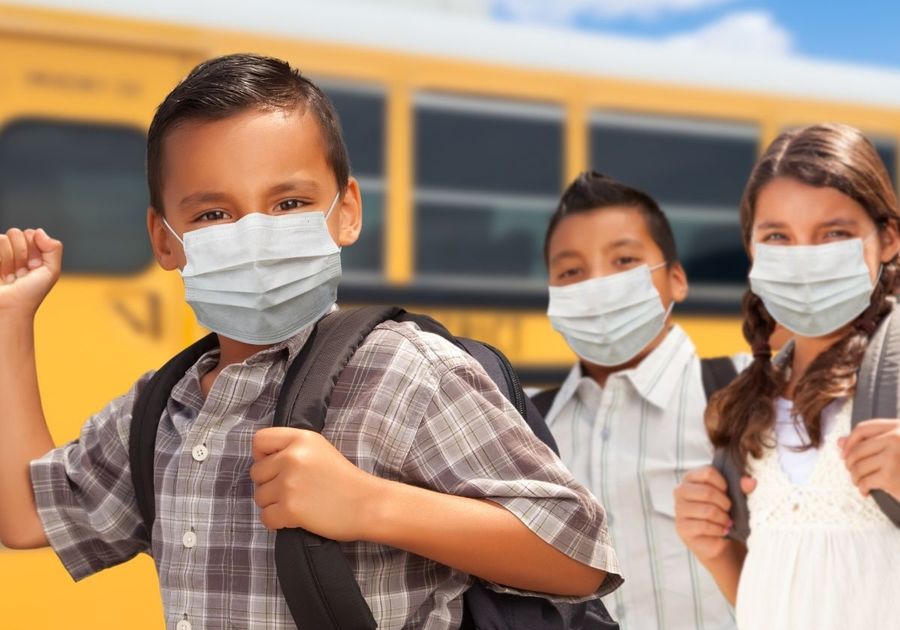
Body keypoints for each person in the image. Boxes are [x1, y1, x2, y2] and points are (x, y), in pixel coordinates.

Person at [0, 53, 622, 629]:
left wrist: (369, 505)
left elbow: (579, 552)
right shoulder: (164, 408)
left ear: (346, 211)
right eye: (212, 214)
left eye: (289, 202)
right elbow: (28, 516)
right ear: (164, 240)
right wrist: (10, 321)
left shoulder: (405, 369)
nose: (254, 234)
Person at [674, 123, 900, 629]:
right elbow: (775, 594)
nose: (803, 257)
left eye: (834, 234)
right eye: (778, 236)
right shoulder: (751, 399)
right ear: (753, 251)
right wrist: (712, 547)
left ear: (888, 239)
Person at [539, 171, 745, 630]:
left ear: (676, 280)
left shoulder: (747, 390)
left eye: (625, 260)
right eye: (571, 271)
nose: (596, 285)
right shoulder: (529, 424)